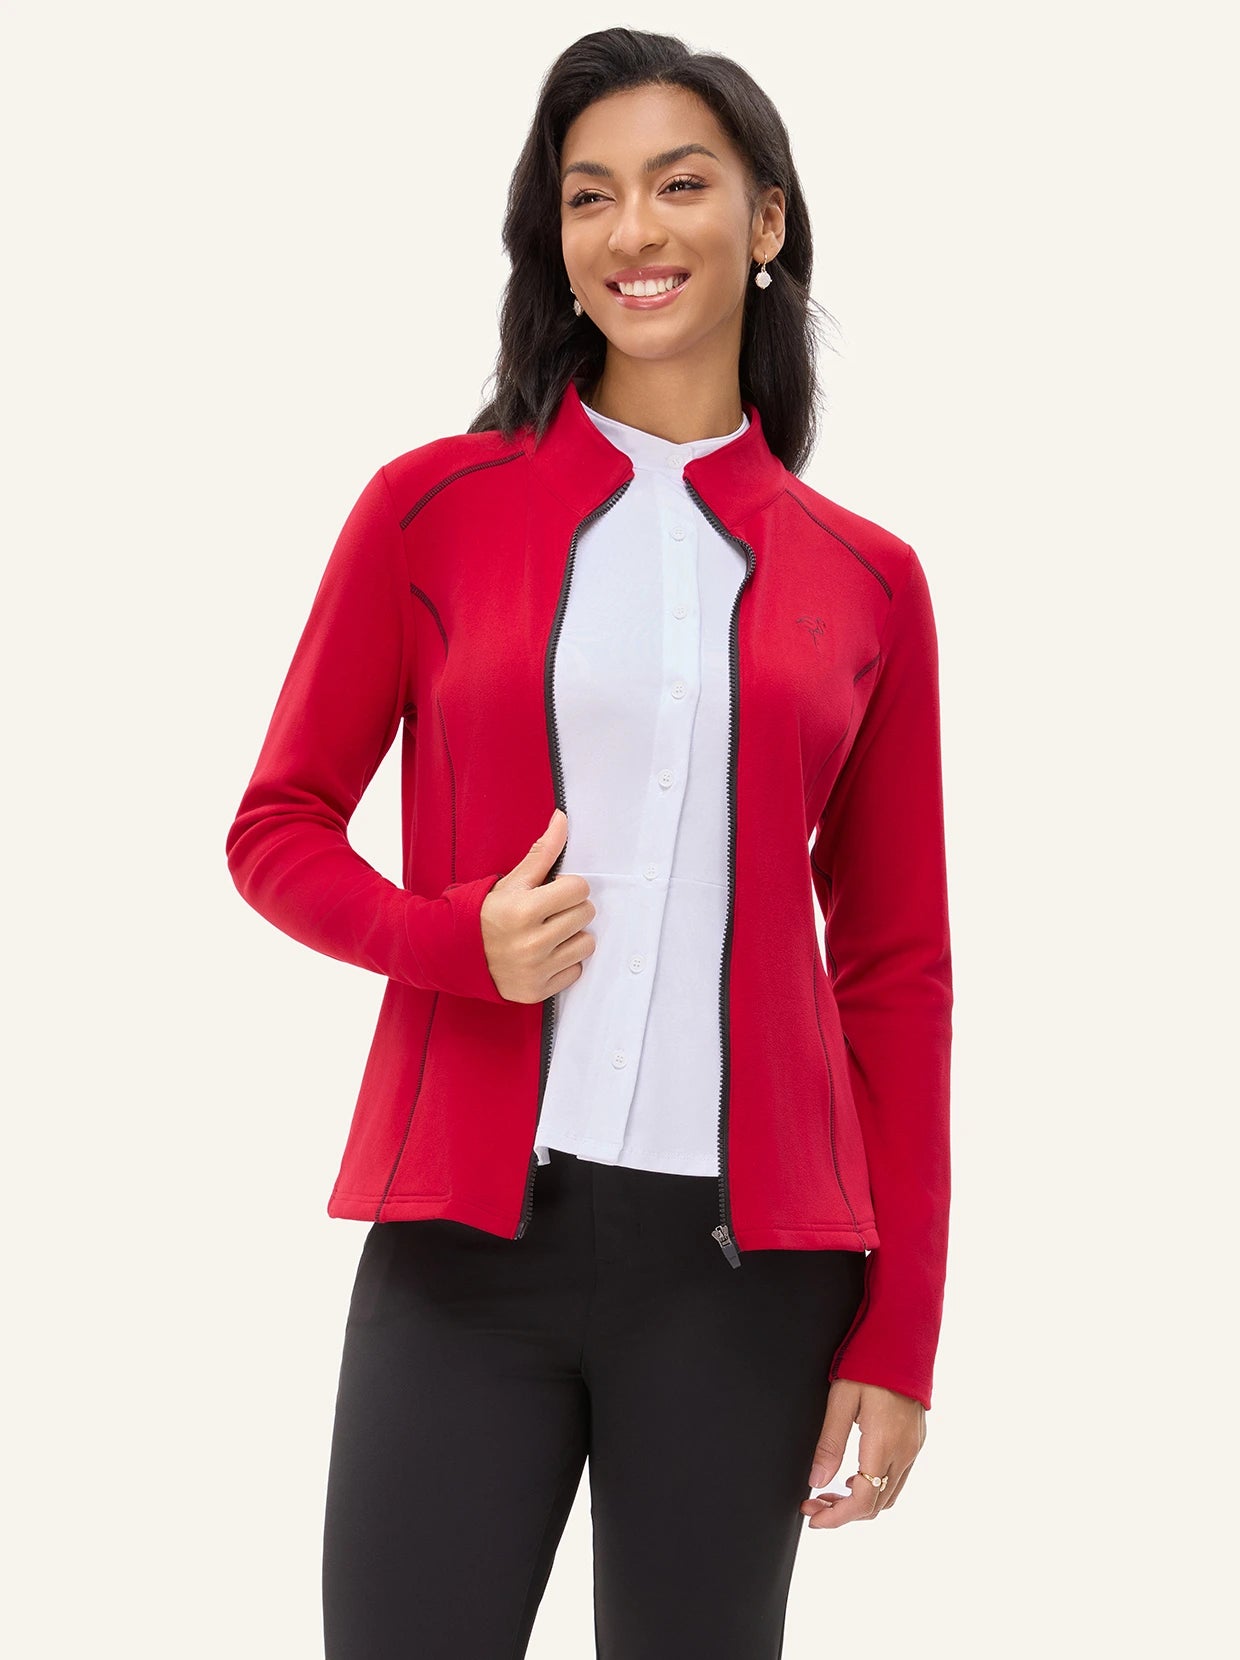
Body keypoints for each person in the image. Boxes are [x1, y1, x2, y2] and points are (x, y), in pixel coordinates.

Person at [225, 26, 953, 1660]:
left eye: (681, 185)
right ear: (553, 240)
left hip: (748, 1276)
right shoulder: (430, 509)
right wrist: (450, 940)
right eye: (589, 195)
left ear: (767, 221)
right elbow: (276, 829)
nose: (635, 230)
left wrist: (899, 1329)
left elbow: (898, 971)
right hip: (463, 1253)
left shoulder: (871, 581)